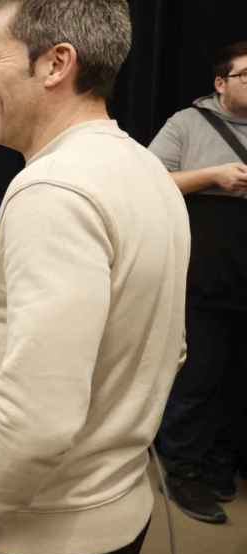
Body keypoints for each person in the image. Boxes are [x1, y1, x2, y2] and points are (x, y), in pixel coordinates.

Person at [0, 1, 191, 554]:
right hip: (118, 511)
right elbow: (169, 349)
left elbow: (37, 416)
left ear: (56, 64)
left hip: (36, 536)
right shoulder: (147, 170)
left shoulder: (52, 191)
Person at [149, 40, 247, 524]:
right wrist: (214, 176)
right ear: (220, 82)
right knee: (196, 379)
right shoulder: (188, 124)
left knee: (236, 384)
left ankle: (218, 465)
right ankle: (182, 470)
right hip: (202, 281)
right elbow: (147, 179)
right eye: (246, 74)